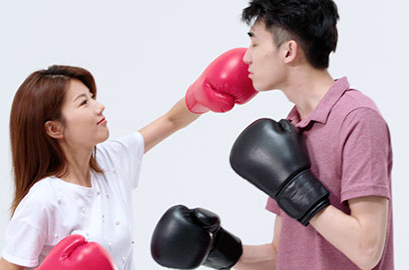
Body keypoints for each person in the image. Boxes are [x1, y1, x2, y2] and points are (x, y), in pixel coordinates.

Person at [150, 0, 393, 269]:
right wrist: (214, 248)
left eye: (254, 43)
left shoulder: (357, 118)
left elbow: (367, 249)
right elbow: (282, 253)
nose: (246, 57)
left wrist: (296, 189)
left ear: (289, 51)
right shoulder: (291, 128)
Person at [0, 49, 257, 270]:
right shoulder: (44, 200)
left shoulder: (111, 161)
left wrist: (201, 94)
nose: (99, 107)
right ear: (54, 129)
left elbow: (171, 120)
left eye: (93, 97)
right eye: (83, 102)